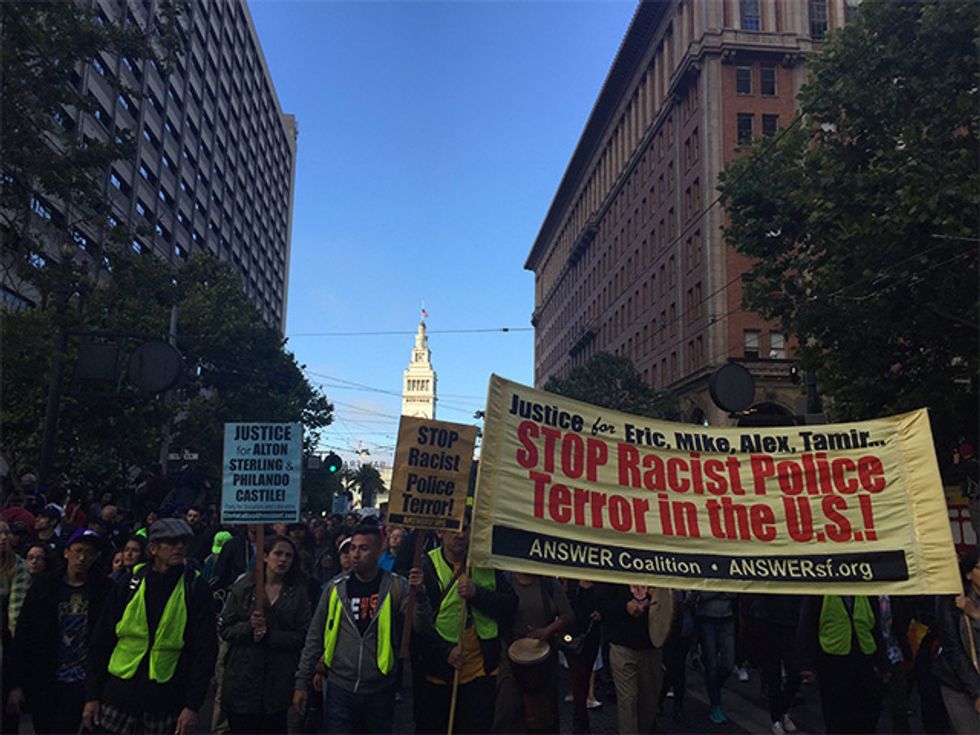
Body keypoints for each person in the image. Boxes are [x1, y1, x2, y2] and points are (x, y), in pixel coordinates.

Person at [83, 518, 217, 734]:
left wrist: (192, 706)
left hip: (165, 701)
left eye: (183, 542)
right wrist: (92, 696)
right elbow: (101, 640)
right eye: (172, 542)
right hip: (118, 696)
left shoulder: (195, 588)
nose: (180, 547)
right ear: (153, 548)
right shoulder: (129, 583)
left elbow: (204, 651)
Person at [293, 523, 428, 734]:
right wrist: (302, 682)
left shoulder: (396, 586)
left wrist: (419, 595)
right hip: (340, 687)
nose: (356, 555)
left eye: (364, 549)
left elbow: (421, 625)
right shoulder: (335, 588)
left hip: (380, 689)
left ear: (378, 551)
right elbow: (315, 635)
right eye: (352, 548)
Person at [414, 518, 517, 734]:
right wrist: (445, 651)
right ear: (440, 532)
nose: (460, 534)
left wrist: (477, 594)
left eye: (465, 528)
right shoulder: (427, 567)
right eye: (454, 529)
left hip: (481, 669)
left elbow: (510, 605)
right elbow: (419, 625)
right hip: (441, 671)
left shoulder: (484, 564)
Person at [7, 528, 111, 733]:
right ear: (67, 552)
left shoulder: (104, 590)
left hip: (84, 682)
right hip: (45, 679)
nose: (82, 557)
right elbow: (24, 635)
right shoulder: (44, 587)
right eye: (78, 550)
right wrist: (15, 684)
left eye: (89, 553)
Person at [219, 535, 312, 734]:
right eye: (278, 554)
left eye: (288, 555)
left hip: (278, 683)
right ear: (265, 556)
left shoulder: (297, 592)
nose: (283, 560)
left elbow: (303, 634)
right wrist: (247, 627)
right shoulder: (244, 588)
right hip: (243, 680)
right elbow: (225, 628)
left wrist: (272, 635)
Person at [493, 572, 573, 733]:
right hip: (511, 654)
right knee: (507, 710)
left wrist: (548, 630)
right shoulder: (504, 581)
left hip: (544, 657)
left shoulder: (548, 583)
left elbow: (568, 615)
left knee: (544, 714)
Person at [799, 594, 885, 734]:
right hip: (832, 662)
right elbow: (807, 625)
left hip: (864, 659)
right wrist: (805, 664)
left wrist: (882, 662)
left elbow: (876, 627)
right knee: (837, 717)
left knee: (867, 715)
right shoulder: (819, 592)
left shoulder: (866, 590)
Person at [597, 583, 673, 735]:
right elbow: (602, 604)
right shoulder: (613, 570)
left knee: (648, 703)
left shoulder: (659, 568)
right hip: (623, 646)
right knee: (628, 702)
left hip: (651, 647)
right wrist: (625, 607)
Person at [933, 547, 980, 734]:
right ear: (968, 574)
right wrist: (976, 691)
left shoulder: (970, 607)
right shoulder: (951, 601)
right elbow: (953, 649)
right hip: (959, 684)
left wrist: (975, 614)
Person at [751, 593, 803, 735]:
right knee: (773, 678)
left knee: (795, 675)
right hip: (768, 624)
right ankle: (776, 718)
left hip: (791, 624)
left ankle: (782, 709)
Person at [1, 518, 31, 735]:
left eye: (6, 532)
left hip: (6, 646)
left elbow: (15, 618)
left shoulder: (19, 566)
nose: (4, 538)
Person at [562, 579, 603, 734]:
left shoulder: (601, 586)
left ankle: (580, 718)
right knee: (578, 677)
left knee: (585, 676)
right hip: (573, 638)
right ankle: (580, 720)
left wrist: (602, 613)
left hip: (591, 638)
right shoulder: (570, 584)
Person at [693, 590, 737, 724]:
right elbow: (698, 596)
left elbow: (735, 592)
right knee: (711, 664)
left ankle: (713, 688)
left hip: (727, 618)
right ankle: (715, 704)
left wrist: (713, 592)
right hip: (706, 619)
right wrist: (722, 591)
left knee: (729, 663)